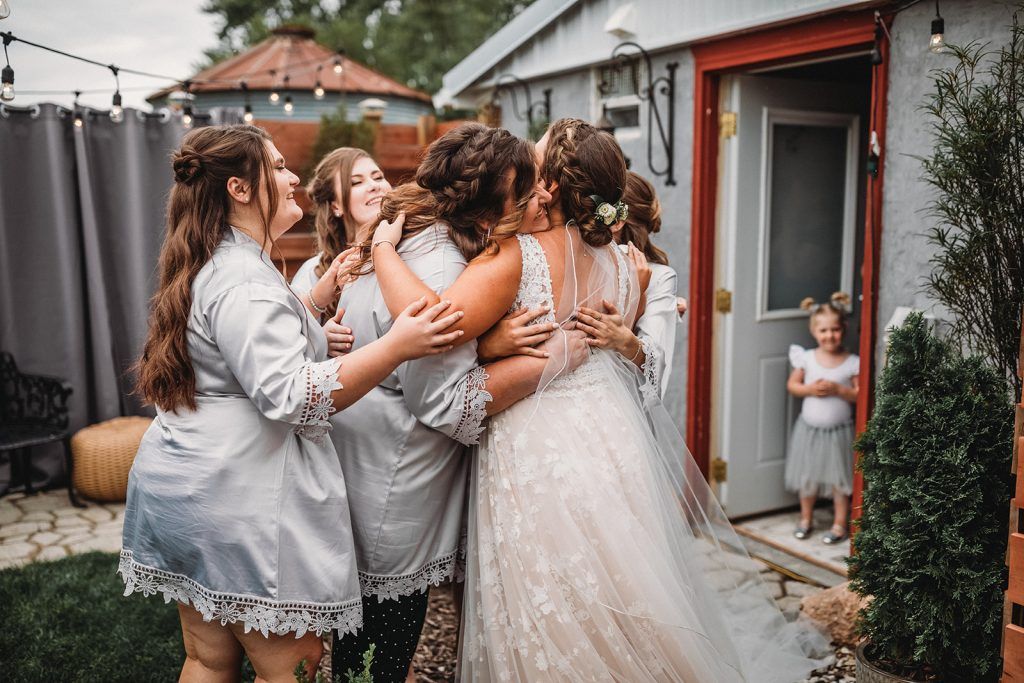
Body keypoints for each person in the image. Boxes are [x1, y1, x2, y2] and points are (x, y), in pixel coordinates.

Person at [371, 117, 827, 681]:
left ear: (554, 186)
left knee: (549, 595)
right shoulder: (624, 262)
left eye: (536, 165)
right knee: (622, 587)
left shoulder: (516, 255)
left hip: (537, 443)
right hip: (611, 435)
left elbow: (438, 324)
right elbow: (615, 342)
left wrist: (385, 253)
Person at [119, 124, 462, 682]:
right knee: (291, 671)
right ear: (240, 188)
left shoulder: (219, 262)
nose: (293, 176)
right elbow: (290, 395)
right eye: (278, 167)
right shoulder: (245, 281)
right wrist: (398, 346)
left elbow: (238, 350)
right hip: (237, 502)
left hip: (186, 482)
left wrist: (315, 310)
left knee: (208, 659)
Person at [328, 123, 586, 682]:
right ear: (491, 203)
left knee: (359, 653)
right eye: (528, 190)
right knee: (377, 660)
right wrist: (551, 359)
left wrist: (485, 343)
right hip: (396, 490)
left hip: (363, 470)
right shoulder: (445, 264)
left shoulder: (411, 236)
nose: (541, 197)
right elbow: (446, 400)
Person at [785, 293, 860, 544]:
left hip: (838, 432)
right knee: (808, 478)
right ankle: (805, 519)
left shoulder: (851, 363)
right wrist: (809, 390)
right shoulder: (806, 358)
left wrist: (840, 390)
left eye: (835, 330)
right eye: (824, 330)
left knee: (840, 481)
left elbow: (860, 395)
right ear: (814, 331)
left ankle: (839, 524)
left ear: (844, 330)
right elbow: (793, 386)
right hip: (809, 431)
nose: (830, 335)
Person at [292, 147, 390, 326]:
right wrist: (321, 340)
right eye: (356, 183)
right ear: (336, 205)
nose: (375, 185)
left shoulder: (414, 246)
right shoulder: (313, 273)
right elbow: (290, 335)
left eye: (378, 177)